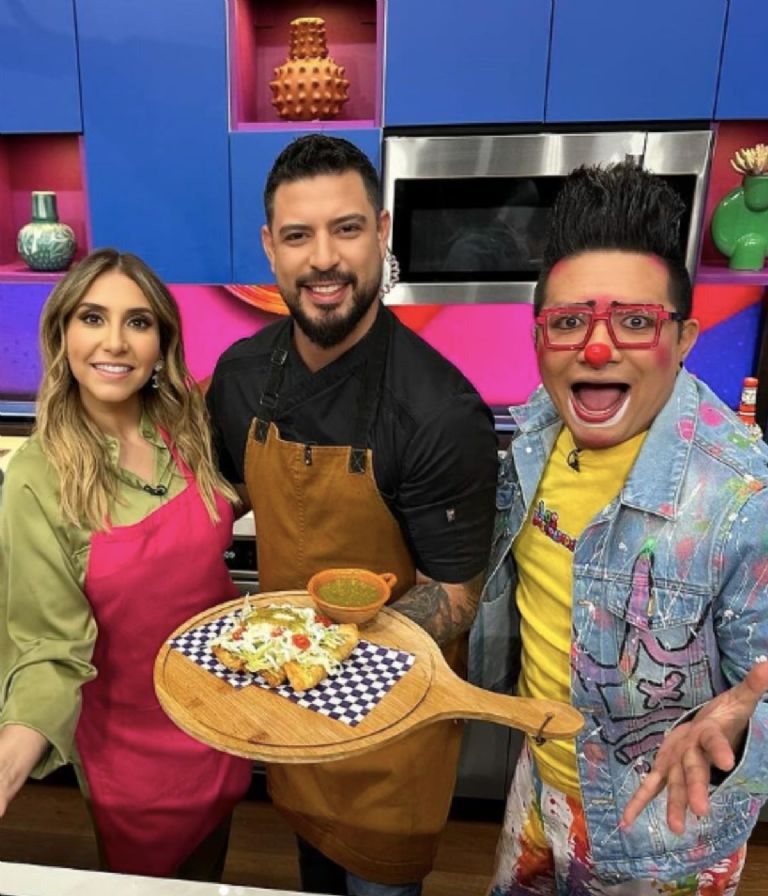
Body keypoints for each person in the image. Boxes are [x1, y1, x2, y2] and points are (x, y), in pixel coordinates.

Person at [206, 134, 498, 895]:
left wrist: (321, 651)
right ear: (270, 248)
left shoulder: (440, 412)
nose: (324, 259)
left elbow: (456, 598)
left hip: (389, 738)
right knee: (313, 870)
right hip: (291, 718)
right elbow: (219, 498)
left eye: (346, 229)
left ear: (382, 231)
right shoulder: (240, 377)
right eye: (298, 235)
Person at [470, 163, 768, 895]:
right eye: (569, 321)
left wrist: (740, 725)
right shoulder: (532, 435)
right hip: (538, 792)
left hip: (664, 836)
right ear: (540, 336)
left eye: (636, 322)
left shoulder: (742, 495)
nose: (597, 349)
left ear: (685, 337)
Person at [0, 249, 253, 879]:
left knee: (208, 869)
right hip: (133, 752)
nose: (114, 342)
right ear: (62, 333)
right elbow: (48, 648)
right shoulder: (37, 478)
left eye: (137, 322)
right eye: (92, 318)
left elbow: (221, 509)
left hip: (222, 714)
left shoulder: (185, 425)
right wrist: (11, 755)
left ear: (161, 343)